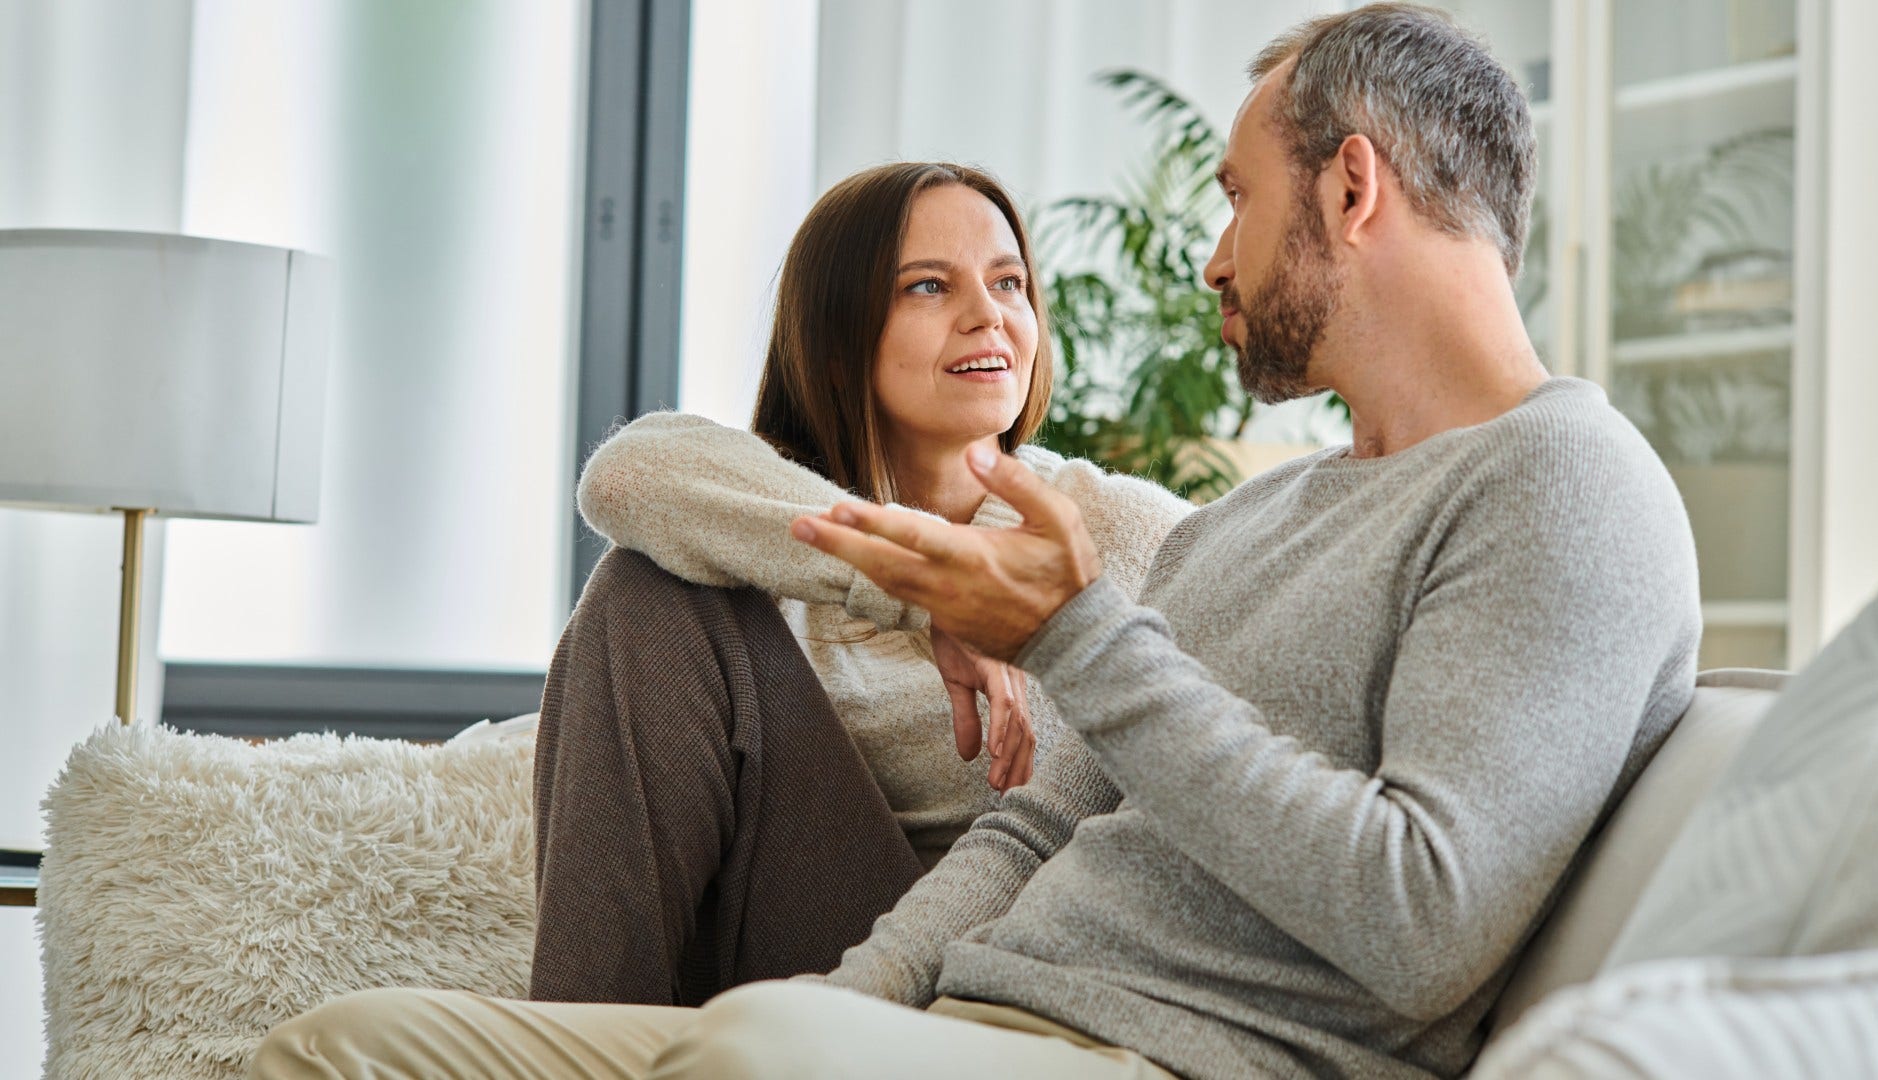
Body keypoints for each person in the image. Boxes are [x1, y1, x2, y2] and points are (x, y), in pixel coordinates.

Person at [249, 6, 1703, 1079]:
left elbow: (1422, 920)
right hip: (966, 1019)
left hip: (1170, 1057)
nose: (1211, 257)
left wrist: (1075, 636)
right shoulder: (1263, 514)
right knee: (341, 1049)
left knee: (752, 1063)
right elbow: (1038, 824)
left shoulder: (1565, 487)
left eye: (1237, 200)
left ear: (1352, 188)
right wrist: (858, 996)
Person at [517, 161, 1193, 1009]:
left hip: (1005, 964)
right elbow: (625, 475)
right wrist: (928, 590)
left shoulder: (1122, 528)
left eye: (1009, 281)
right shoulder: (769, 517)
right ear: (836, 347)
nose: (988, 315)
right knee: (642, 592)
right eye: (929, 287)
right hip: (793, 939)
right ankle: (580, 1042)